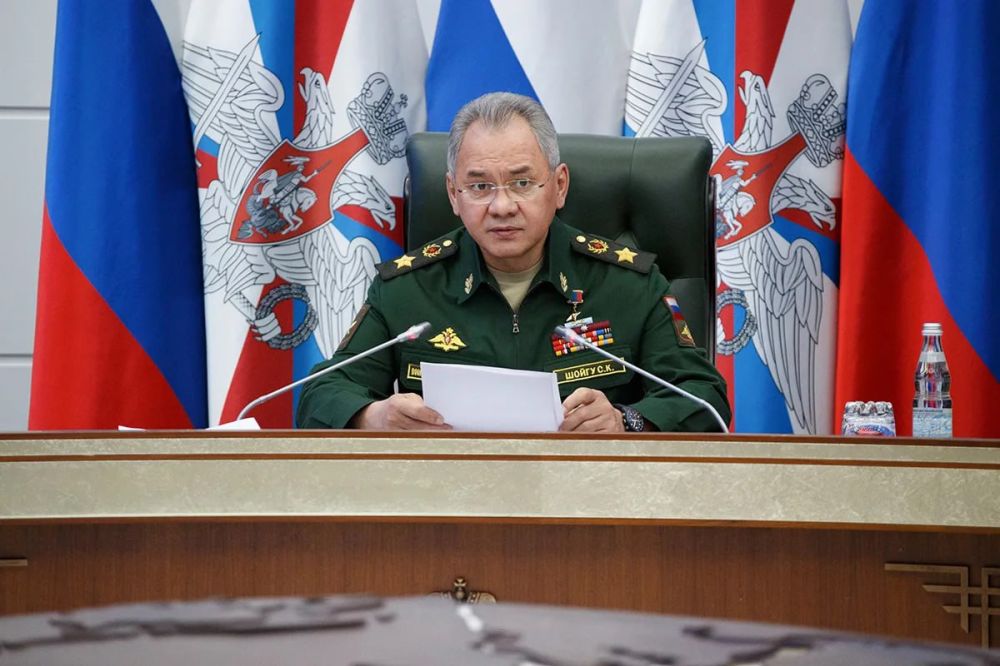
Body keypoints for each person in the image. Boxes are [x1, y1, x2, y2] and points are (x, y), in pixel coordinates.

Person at [296, 92, 730, 432]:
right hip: (449, 502)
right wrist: (374, 416)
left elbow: (705, 399)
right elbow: (320, 394)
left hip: (589, 500)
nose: (502, 206)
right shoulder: (407, 289)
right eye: (479, 187)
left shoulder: (629, 283)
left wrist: (625, 421)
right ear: (453, 195)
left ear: (559, 186)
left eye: (522, 183)